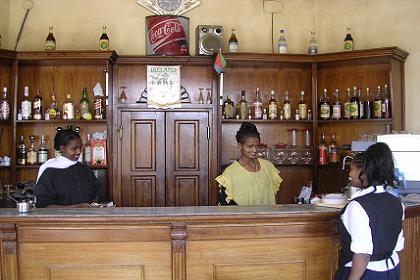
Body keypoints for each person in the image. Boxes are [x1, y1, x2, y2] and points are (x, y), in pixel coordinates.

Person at [335, 142, 404, 280]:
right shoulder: (397, 203)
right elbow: (397, 245)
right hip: (392, 269)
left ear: (364, 173)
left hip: (366, 273)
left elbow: (363, 254)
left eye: (352, 169)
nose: (349, 174)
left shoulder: (357, 206)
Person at [215, 122, 282, 205]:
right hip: (244, 218)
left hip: (269, 217)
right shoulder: (229, 174)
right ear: (240, 146)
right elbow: (226, 207)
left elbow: (275, 196)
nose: (255, 150)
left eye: (257, 146)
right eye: (250, 146)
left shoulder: (268, 167)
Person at [35, 128, 99, 208]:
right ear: (62, 148)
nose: (79, 151)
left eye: (80, 147)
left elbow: (94, 196)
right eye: (74, 148)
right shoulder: (50, 171)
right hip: (60, 220)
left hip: (86, 219)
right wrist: (75, 208)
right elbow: (43, 206)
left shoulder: (85, 169)